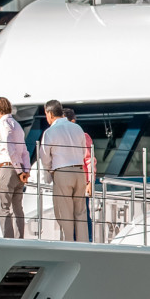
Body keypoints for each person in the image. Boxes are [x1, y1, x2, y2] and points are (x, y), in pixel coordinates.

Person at [38, 99, 89, 242]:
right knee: (80, 211)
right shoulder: (77, 128)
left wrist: (50, 171)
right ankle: (83, 244)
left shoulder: (50, 132)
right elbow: (84, 152)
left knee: (64, 212)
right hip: (79, 172)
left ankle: (68, 243)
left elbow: (44, 156)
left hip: (62, 172)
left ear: (49, 113)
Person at [0, 96, 30, 239]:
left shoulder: (3, 124)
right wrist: (25, 170)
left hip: (7, 168)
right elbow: (24, 151)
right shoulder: (17, 125)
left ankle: (8, 240)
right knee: (17, 208)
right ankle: (19, 239)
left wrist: (20, 171)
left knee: (3, 208)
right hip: (18, 169)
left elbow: (10, 147)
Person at [64, 106, 96, 238]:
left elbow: (89, 159)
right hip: (67, 180)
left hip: (81, 180)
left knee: (82, 212)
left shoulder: (83, 136)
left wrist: (90, 181)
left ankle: (86, 238)